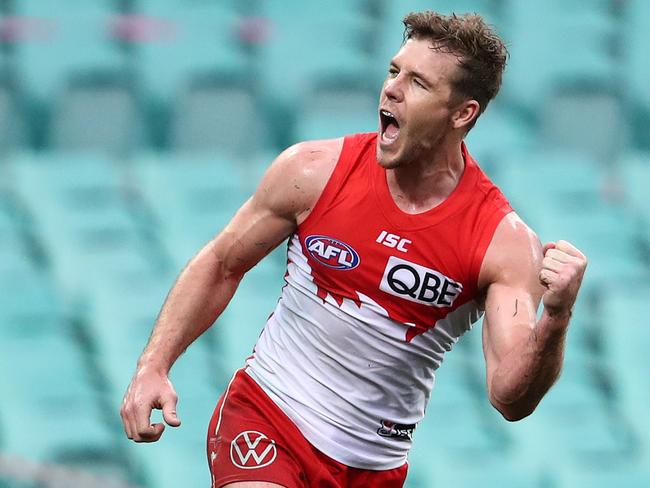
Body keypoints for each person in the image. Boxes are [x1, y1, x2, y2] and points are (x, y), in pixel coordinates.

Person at [121, 11, 587, 488]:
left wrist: (557, 316)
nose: (391, 90)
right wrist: (153, 366)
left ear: (462, 113)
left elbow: (511, 399)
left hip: (373, 467)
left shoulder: (503, 242)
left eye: (419, 83)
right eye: (393, 72)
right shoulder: (313, 171)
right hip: (267, 420)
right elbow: (221, 263)